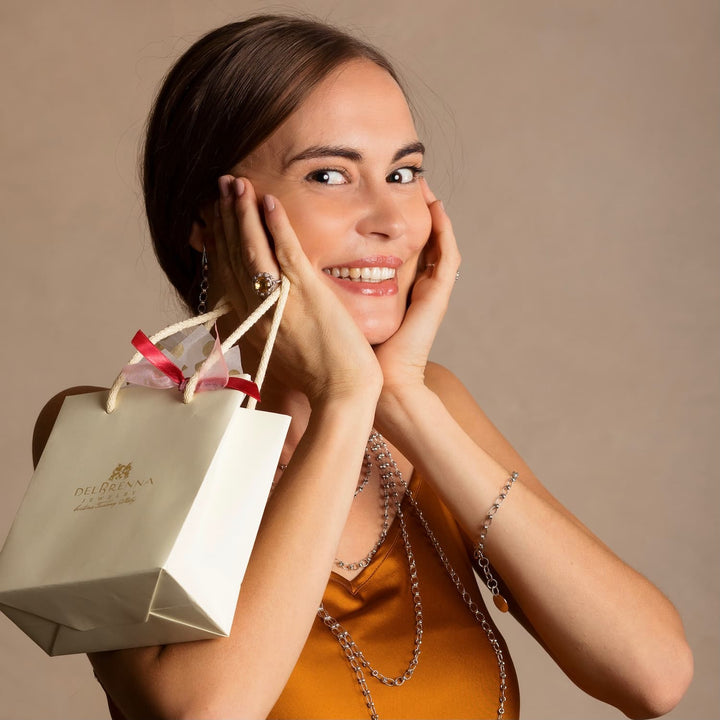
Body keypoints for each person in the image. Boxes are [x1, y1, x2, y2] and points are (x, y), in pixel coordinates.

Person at [32, 14, 693, 720]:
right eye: (329, 174)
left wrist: (401, 399)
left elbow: (651, 676)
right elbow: (201, 713)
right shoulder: (116, 434)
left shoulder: (427, 408)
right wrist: (343, 402)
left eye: (403, 173)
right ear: (207, 218)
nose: (391, 218)